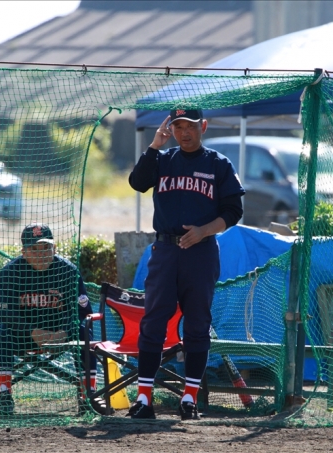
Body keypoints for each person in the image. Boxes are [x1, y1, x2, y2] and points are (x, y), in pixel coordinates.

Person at [127, 109, 245, 420]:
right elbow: (137, 183)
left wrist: (204, 230)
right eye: (177, 127)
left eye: (190, 126)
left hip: (200, 252)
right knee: (153, 322)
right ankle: (143, 398)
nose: (184, 133)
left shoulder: (218, 164)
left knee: (197, 324)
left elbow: (234, 211)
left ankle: (189, 399)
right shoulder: (163, 159)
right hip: (165, 251)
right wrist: (154, 146)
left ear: (203, 126)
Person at [0, 223, 102, 415]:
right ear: (24, 252)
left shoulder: (67, 270)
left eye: (46, 247)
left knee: (84, 332)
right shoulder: (10, 272)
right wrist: (32, 332)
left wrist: (64, 332)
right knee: (1, 333)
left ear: (54, 248)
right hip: (24, 335)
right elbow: (5, 314)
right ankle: (4, 395)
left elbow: (82, 311)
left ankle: (88, 395)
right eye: (34, 249)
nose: (41, 253)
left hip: (60, 333)